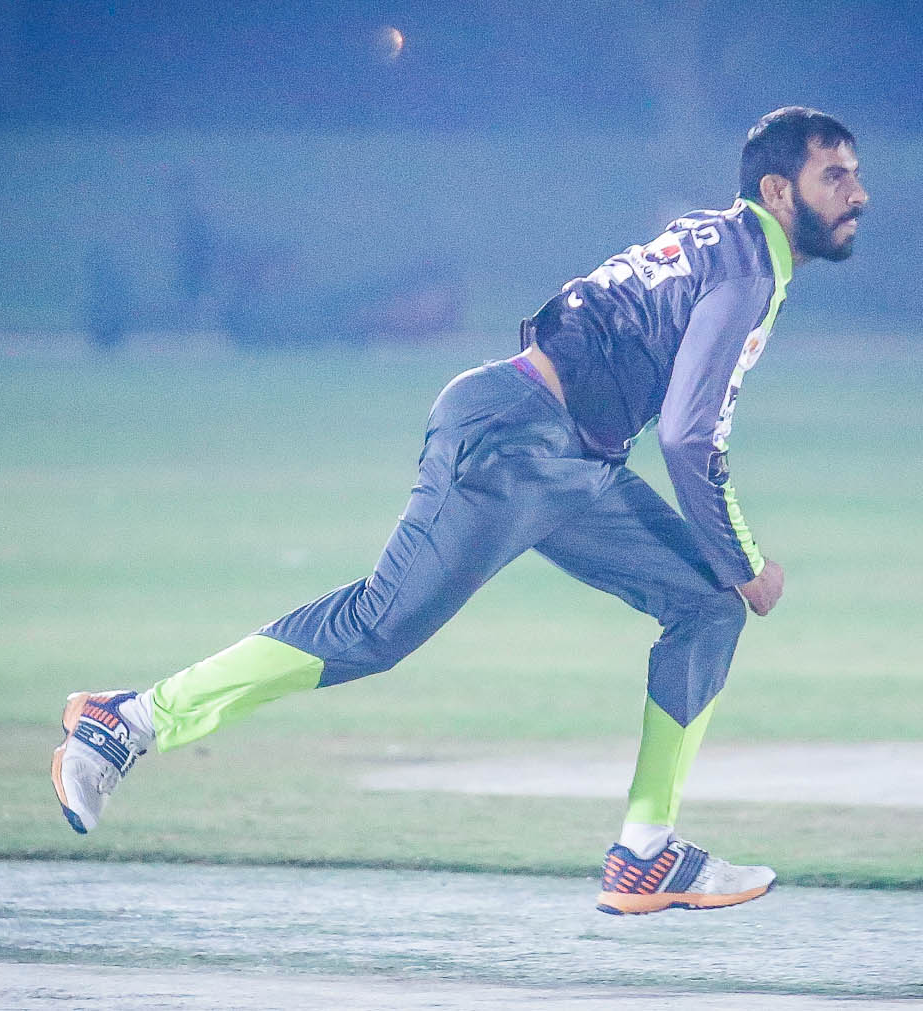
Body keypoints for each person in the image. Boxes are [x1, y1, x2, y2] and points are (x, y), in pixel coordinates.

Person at [51, 106, 869, 915]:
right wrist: (745, 561)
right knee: (375, 627)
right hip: (516, 438)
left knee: (706, 607)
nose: (856, 193)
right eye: (834, 176)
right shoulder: (750, 268)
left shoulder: (720, 238)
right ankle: (127, 720)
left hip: (568, 452)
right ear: (778, 189)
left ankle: (645, 852)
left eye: (855, 175)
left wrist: (726, 572)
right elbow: (689, 434)